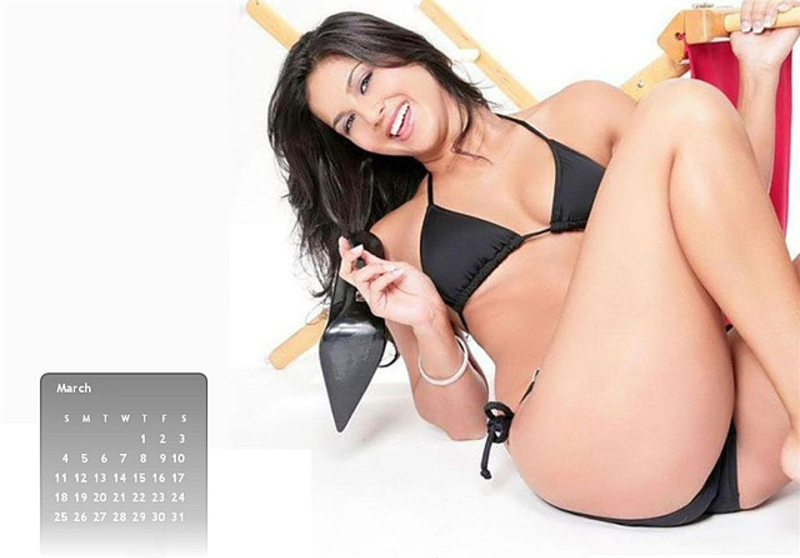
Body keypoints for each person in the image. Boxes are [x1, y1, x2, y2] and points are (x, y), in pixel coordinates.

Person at [268, 4, 800, 526]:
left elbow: (737, 225)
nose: (373, 116)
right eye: (349, 123)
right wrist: (429, 321)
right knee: (679, 106)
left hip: (722, 424)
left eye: (365, 83)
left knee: (686, 115)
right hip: (587, 444)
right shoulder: (398, 237)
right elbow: (462, 422)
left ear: (408, 52)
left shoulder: (584, 111)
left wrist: (759, 71)